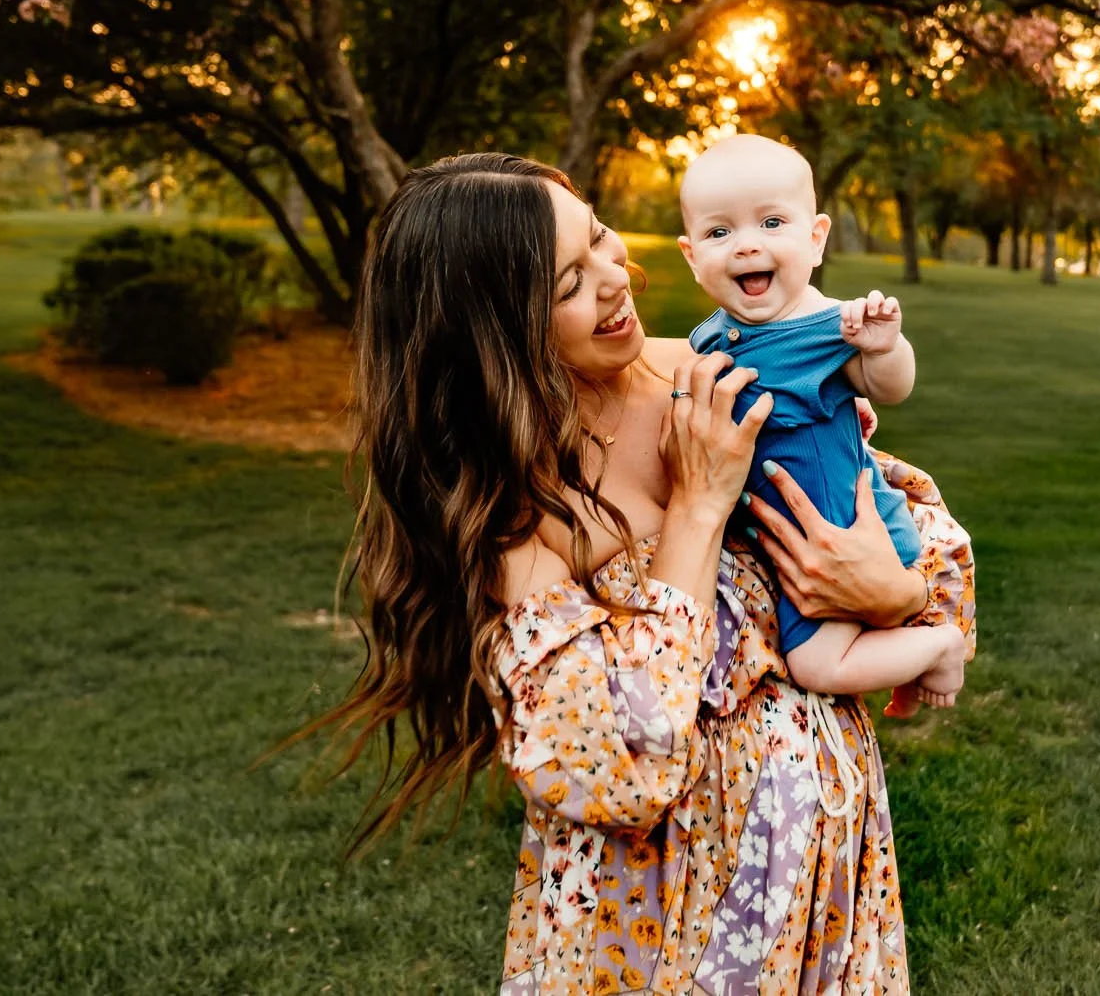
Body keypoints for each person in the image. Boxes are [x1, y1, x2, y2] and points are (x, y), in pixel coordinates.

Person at [311, 153, 975, 992]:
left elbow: (908, 515)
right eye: (568, 283)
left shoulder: (708, 370)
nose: (614, 278)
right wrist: (698, 506)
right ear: (495, 331)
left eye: (599, 237)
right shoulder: (513, 517)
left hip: (826, 886)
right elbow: (619, 762)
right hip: (652, 926)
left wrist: (901, 595)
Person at [678, 135, 966, 721]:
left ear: (815, 239)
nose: (746, 245)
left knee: (817, 665)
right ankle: (907, 664)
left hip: (845, 535)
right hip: (790, 543)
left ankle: (940, 645)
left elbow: (890, 388)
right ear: (691, 256)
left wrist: (883, 349)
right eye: (719, 232)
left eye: (771, 223)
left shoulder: (830, 327)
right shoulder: (710, 335)